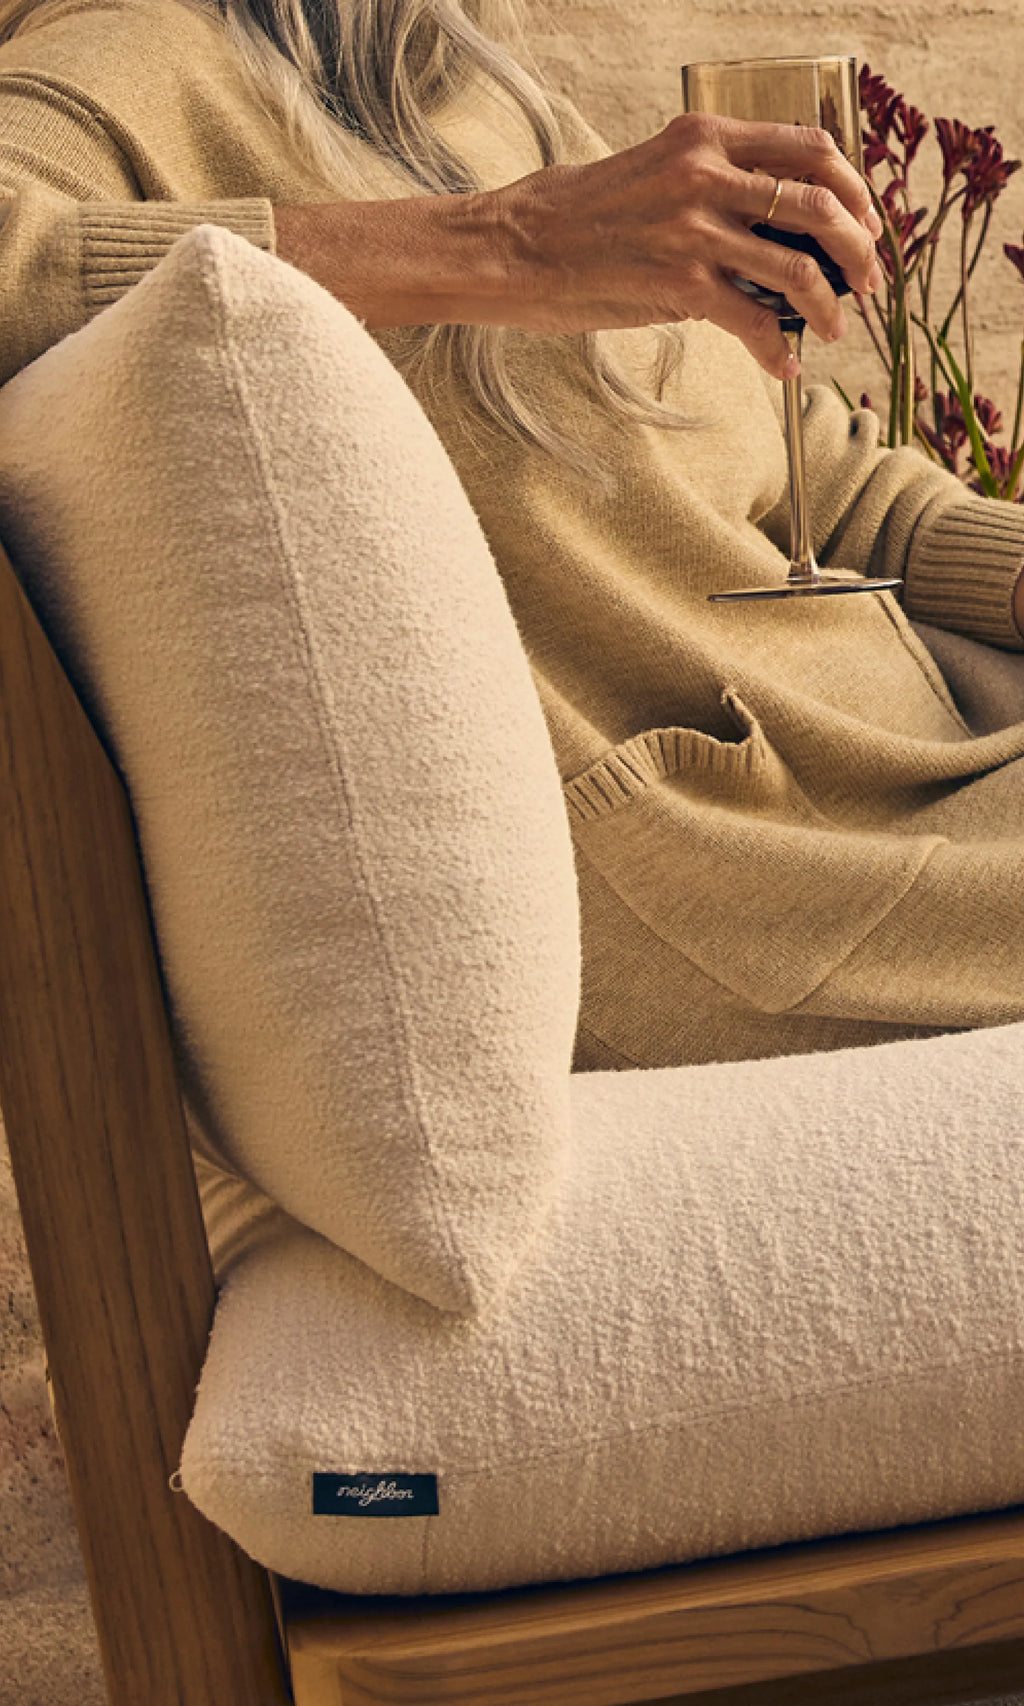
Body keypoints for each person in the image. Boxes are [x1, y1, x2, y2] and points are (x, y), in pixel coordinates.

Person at [1, 0, 1023, 1071]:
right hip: (750, 865)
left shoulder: (467, 96)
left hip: (929, 749)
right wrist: (508, 243)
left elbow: (816, 474)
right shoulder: (131, 57)